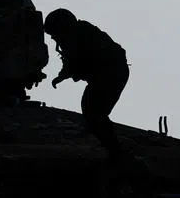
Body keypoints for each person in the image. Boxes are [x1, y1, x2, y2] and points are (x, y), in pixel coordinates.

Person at [44, 8, 130, 160]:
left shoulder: (81, 36)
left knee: (93, 111)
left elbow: (78, 60)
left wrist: (66, 74)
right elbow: (72, 62)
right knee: (93, 111)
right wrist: (62, 76)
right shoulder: (77, 35)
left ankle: (114, 151)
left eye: (55, 34)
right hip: (108, 75)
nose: (54, 39)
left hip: (111, 74)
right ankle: (110, 146)